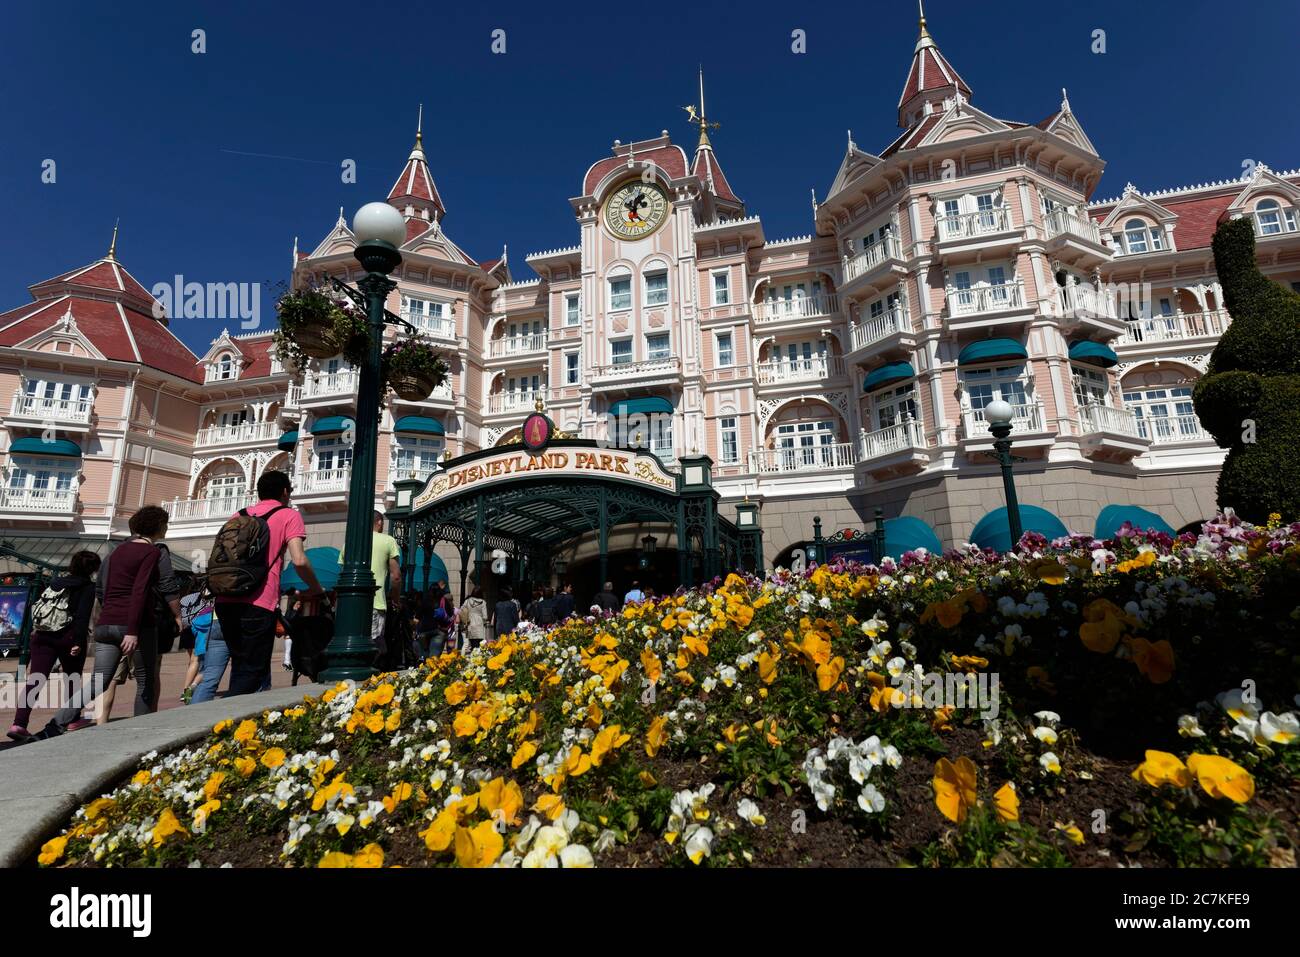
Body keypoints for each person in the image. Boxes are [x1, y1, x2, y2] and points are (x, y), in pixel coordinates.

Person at [55, 507, 171, 727]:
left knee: (98, 681)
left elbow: (102, 587)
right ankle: (140, 731)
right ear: (156, 526)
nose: (167, 527)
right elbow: (140, 591)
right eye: (165, 523)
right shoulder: (152, 552)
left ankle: (58, 721)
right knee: (145, 681)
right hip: (135, 625)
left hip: (106, 623)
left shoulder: (116, 551)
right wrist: (132, 630)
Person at [214, 470, 323, 697]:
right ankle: (233, 724)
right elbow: (300, 560)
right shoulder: (288, 515)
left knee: (241, 664)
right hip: (259, 600)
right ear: (285, 492)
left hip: (226, 598)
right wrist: (316, 589)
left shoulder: (238, 515)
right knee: (251, 671)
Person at [8, 550, 101, 741]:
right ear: (93, 569)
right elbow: (82, 616)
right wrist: (78, 642)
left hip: (42, 635)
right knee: (72, 678)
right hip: (67, 636)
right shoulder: (87, 587)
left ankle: (18, 724)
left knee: (35, 679)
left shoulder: (56, 582)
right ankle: (71, 719)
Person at [459, 587, 489, 651]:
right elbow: (485, 616)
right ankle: (477, 659)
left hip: (469, 624)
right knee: (479, 645)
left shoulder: (467, 601)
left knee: (472, 644)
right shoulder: (483, 602)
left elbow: (461, 610)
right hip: (479, 625)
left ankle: (472, 658)